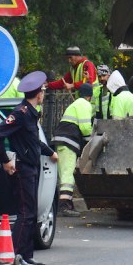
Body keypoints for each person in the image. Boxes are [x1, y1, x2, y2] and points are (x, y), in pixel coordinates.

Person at [0, 71, 58, 265]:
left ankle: (26, 255)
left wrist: (49, 152)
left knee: (31, 212)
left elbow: (34, 141)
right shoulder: (20, 114)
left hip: (32, 167)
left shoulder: (31, 114)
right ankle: (16, 255)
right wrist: (5, 161)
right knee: (26, 212)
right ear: (38, 94)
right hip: (22, 168)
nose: (43, 95)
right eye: (43, 92)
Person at [51, 83, 94, 217]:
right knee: (68, 174)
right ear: (90, 96)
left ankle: (66, 203)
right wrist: (90, 141)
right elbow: (86, 128)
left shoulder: (75, 104)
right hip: (68, 142)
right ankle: (64, 206)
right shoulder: (85, 105)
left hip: (61, 141)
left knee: (64, 173)